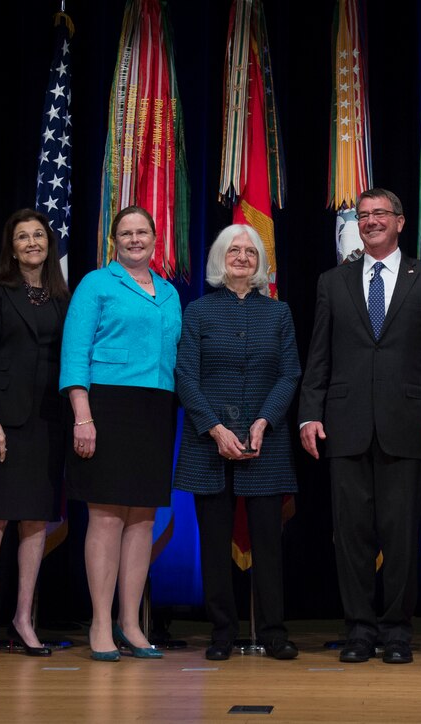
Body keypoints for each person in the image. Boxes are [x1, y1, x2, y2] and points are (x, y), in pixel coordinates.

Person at [299, 187, 421, 665]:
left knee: (402, 532)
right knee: (352, 536)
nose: (370, 221)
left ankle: (398, 630)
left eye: (380, 214)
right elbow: (318, 354)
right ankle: (360, 630)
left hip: (407, 423)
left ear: (400, 221)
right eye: (363, 216)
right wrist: (309, 411)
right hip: (343, 426)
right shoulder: (333, 281)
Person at [174, 224, 301, 662]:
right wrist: (215, 428)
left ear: (260, 263)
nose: (242, 256)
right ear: (220, 258)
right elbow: (185, 375)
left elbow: (290, 374)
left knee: (269, 544)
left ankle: (273, 632)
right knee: (213, 544)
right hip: (210, 444)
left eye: (250, 251)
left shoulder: (279, 312)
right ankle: (222, 633)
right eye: (234, 250)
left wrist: (265, 421)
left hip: (267, 442)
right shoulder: (199, 312)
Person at [60, 206, 182, 662]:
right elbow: (75, 353)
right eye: (126, 233)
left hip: (156, 410)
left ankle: (131, 624)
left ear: (155, 239)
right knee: (107, 519)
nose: (134, 239)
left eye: (142, 232)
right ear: (115, 240)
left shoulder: (169, 293)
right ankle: (99, 623)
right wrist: (82, 414)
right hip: (106, 408)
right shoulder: (96, 284)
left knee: (143, 521)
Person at [0, 209, 70, 660]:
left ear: (48, 244)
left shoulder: (61, 295)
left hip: (49, 422)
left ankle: (23, 618)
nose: (32, 242)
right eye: (23, 237)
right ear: (12, 248)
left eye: (39, 236)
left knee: (35, 522)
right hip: (6, 422)